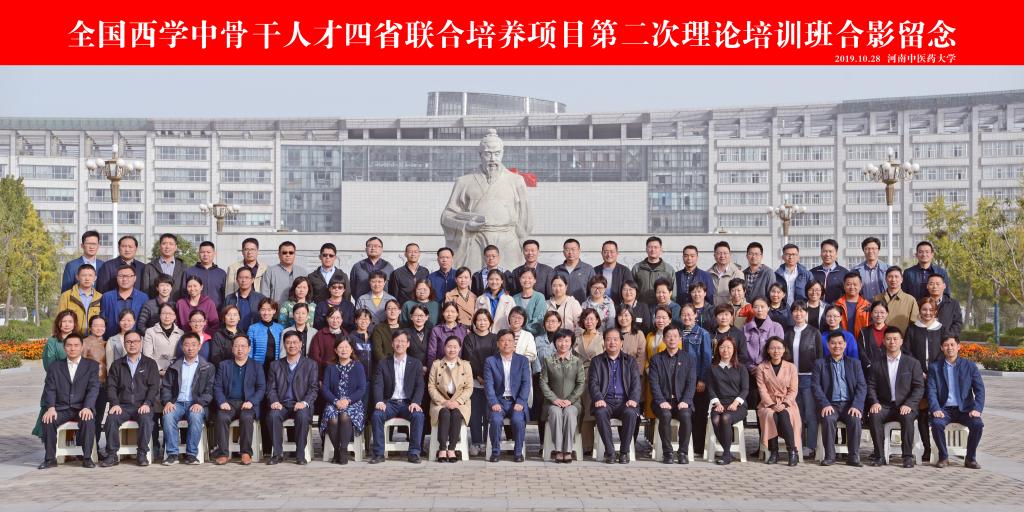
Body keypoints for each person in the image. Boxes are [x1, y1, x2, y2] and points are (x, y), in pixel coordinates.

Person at [441, 129, 533, 272]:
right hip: (476, 238)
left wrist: (523, 240)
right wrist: (465, 225)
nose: (492, 159)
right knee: (474, 279)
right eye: (488, 153)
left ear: (502, 153)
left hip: (508, 239)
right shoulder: (464, 181)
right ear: (480, 154)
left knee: (510, 279)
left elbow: (525, 215)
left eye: (497, 153)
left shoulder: (516, 180)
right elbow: (447, 216)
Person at [37, 333, 99, 469]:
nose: (73, 348)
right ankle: (50, 459)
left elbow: (93, 389)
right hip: (61, 409)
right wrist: (51, 408)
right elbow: (50, 389)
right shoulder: (55, 367)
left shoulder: (92, 366)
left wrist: (88, 407)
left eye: (76, 345)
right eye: (69, 345)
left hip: (82, 408)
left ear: (82, 347)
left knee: (88, 420)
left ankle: (87, 458)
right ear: (64, 348)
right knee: (48, 420)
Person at [865, 327, 924, 468]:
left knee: (907, 417)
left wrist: (909, 404)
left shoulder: (912, 363)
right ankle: (879, 456)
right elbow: (871, 386)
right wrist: (874, 402)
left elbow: (919, 387)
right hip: (884, 405)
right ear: (884, 341)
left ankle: (907, 457)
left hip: (904, 405)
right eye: (888, 339)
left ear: (901, 341)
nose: (892, 342)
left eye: (895, 339)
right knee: (874, 415)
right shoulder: (876, 363)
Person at [100, 331, 160, 467]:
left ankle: (142, 453)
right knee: (111, 419)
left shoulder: (150, 363)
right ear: (124, 344)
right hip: (122, 406)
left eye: (135, 341)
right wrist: (115, 403)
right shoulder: (117, 364)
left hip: (142, 405)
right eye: (128, 342)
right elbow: (111, 387)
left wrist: (147, 403)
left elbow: (154, 387)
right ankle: (112, 454)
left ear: (141, 343)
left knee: (146, 420)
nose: (132, 344)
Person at [368, 331, 426, 464]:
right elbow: (378, 384)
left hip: (408, 403)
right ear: (392, 344)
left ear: (408, 344)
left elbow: (420, 385)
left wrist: (416, 402)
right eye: (397, 341)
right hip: (390, 403)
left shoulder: (416, 363)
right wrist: (379, 401)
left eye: (403, 341)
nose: (400, 344)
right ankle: (378, 454)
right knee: (377, 415)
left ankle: (414, 453)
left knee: (418, 416)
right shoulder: (383, 363)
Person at [928, 336, 985, 469]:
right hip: (944, 409)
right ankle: (943, 457)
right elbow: (931, 391)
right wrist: (935, 408)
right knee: (936, 424)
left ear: (959, 346)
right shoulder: (935, 367)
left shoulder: (969, 366)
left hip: (965, 410)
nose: (949, 348)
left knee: (977, 424)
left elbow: (980, 390)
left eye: (952, 345)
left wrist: (977, 409)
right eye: (946, 345)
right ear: (942, 348)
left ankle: (970, 458)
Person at [812, 331, 866, 467]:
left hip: (850, 405)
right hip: (831, 404)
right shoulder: (820, 364)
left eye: (840, 343)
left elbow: (862, 386)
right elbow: (815, 386)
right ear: (828, 345)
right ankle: (830, 456)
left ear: (845, 345)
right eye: (833, 343)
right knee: (828, 419)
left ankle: (853, 457)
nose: (837, 346)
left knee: (855, 419)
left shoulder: (855, 363)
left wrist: (856, 405)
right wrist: (825, 404)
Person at [160, 333, 215, 465]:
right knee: (168, 416)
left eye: (194, 345)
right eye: (187, 345)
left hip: (195, 403)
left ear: (199, 346)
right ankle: (172, 454)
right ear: (182, 347)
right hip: (177, 403)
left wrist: (200, 403)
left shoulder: (207, 367)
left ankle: (191, 454)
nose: (190, 348)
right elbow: (166, 387)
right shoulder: (174, 366)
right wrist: (168, 401)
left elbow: (210, 390)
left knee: (196, 416)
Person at [265, 331, 319, 465]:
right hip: (282, 404)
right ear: (284, 345)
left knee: (302, 416)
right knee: (273, 416)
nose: (292, 345)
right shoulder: (275, 365)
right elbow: (271, 388)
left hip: (300, 404)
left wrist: (304, 402)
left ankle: (300, 455)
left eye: (295, 342)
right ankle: (277, 454)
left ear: (301, 344)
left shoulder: (311, 364)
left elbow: (313, 388)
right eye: (288, 342)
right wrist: (274, 401)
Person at [589, 327, 642, 464]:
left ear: (621, 342)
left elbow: (636, 383)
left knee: (631, 413)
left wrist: (633, 399)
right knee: (600, 412)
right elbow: (593, 383)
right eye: (608, 339)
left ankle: (624, 452)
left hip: (625, 401)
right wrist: (598, 398)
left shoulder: (630, 361)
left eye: (615, 339)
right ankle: (610, 452)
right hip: (605, 401)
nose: (612, 342)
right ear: (604, 342)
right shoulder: (597, 361)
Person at [212, 333, 265, 465]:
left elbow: (261, 388)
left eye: (243, 346)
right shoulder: (224, 365)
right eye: (236, 346)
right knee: (221, 417)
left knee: (246, 417)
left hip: (248, 403)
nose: (239, 349)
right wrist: (222, 401)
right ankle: (223, 454)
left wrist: (251, 402)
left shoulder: (256, 366)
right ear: (232, 348)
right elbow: (217, 387)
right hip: (228, 403)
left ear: (249, 348)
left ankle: (246, 453)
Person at [647, 325, 696, 464]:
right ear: (664, 339)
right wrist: (661, 400)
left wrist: (685, 400)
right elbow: (654, 383)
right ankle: (668, 452)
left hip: (682, 401)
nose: (672, 339)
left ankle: (682, 452)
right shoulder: (656, 359)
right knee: (665, 414)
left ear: (680, 339)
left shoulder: (689, 358)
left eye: (675, 336)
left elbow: (691, 382)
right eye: (668, 336)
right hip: (662, 401)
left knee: (686, 415)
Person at [904, 296, 945, 460]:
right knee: (922, 413)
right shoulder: (913, 329)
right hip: (918, 377)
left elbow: (944, 351)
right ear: (919, 310)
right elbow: (907, 351)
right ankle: (926, 449)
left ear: (935, 311)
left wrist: (933, 370)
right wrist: (919, 370)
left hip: (937, 377)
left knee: (936, 412)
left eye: (931, 310)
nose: (927, 312)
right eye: (924, 309)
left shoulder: (941, 329)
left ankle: (940, 449)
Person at [484, 329, 531, 463]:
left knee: (518, 420)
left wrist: (521, 402)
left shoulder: (522, 360)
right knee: (496, 420)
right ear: (498, 343)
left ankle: (518, 452)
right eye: (503, 341)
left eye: (510, 340)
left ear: (514, 343)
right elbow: (488, 385)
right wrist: (493, 402)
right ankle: (495, 452)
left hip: (516, 401)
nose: (506, 343)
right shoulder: (490, 361)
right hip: (498, 401)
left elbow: (526, 383)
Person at [755, 337, 802, 467]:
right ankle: (774, 451)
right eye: (773, 348)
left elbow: (793, 390)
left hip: (787, 403)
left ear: (784, 350)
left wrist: (784, 404)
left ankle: (792, 451)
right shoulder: (761, 368)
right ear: (768, 350)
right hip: (768, 403)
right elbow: (762, 389)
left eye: (779, 348)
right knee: (770, 415)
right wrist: (772, 404)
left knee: (784, 413)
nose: (776, 351)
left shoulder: (791, 367)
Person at [539, 329, 585, 463]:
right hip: (552, 403)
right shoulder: (548, 361)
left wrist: (570, 400)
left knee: (569, 413)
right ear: (555, 342)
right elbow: (543, 382)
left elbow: (581, 383)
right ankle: (558, 450)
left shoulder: (577, 362)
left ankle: (568, 450)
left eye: (566, 341)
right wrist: (554, 399)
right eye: (560, 340)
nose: (563, 344)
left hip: (573, 403)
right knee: (556, 412)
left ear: (571, 343)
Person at [320, 337, 368, 465]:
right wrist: (336, 401)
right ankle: (337, 450)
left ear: (351, 349)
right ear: (336, 350)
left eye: (347, 347)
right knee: (332, 417)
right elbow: (325, 389)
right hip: (334, 402)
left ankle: (343, 450)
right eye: (340, 347)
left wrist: (348, 400)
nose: (344, 350)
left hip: (353, 403)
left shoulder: (358, 366)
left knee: (344, 416)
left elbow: (361, 389)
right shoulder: (330, 367)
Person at [785, 301, 822, 459]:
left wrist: (817, 378)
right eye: (795, 311)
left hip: (809, 377)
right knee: (796, 413)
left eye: (801, 311)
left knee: (810, 413)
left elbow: (819, 357)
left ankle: (811, 446)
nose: (798, 314)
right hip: (792, 378)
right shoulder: (788, 332)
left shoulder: (814, 332)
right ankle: (797, 444)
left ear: (806, 313)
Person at [427, 336, 473, 463]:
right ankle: (442, 448)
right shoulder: (436, 365)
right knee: (444, 413)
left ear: (459, 348)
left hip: (460, 402)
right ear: (444, 348)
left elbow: (469, 388)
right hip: (440, 402)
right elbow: (431, 387)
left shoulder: (465, 365)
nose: (452, 350)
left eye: (455, 347)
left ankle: (452, 449)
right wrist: (444, 402)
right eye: (449, 346)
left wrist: (458, 402)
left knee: (457, 413)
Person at [33, 311, 77, 440]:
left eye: (70, 321)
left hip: (75, 385)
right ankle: (50, 445)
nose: (67, 324)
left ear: (74, 324)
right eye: (64, 321)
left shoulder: (79, 340)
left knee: (72, 417)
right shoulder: (52, 342)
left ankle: (68, 444)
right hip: (56, 384)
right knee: (51, 415)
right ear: (58, 323)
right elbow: (49, 365)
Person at [461, 309, 498, 455]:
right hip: (474, 382)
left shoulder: (495, 338)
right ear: (475, 322)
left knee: (489, 413)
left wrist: (487, 377)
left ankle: (488, 442)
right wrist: (478, 376)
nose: (482, 322)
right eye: (479, 320)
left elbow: (496, 358)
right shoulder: (469, 338)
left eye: (485, 320)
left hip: (491, 383)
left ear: (490, 322)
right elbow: (469, 358)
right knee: (475, 414)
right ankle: (476, 442)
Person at [707, 336, 749, 465]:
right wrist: (717, 403)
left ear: (734, 349)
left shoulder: (741, 368)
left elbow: (745, 389)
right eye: (722, 347)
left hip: (738, 405)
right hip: (719, 403)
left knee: (725, 418)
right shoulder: (712, 368)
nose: (725, 350)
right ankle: (728, 453)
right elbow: (710, 388)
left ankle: (726, 454)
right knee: (715, 419)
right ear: (718, 349)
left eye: (729, 347)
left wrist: (736, 403)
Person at [679, 304, 713, 456]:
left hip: (697, 380)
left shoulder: (703, 334)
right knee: (686, 413)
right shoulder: (679, 334)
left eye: (689, 314)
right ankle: (685, 445)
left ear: (695, 316)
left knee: (699, 414)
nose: (686, 317)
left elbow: (707, 358)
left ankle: (698, 447)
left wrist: (702, 379)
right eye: (684, 315)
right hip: (682, 381)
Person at [82, 316, 109, 454]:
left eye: (102, 325)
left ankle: (95, 447)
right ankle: (86, 448)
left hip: (104, 385)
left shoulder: (107, 343)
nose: (99, 328)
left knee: (98, 418)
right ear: (90, 327)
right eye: (96, 325)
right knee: (90, 417)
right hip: (90, 386)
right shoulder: (85, 343)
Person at [99, 264, 148, 338]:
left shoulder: (143, 297)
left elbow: (145, 322)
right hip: (111, 338)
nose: (124, 279)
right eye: (121, 276)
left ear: (135, 278)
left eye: (128, 276)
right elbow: (102, 320)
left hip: (135, 340)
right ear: (117, 278)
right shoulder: (107, 297)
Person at [58, 263, 101, 336]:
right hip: (72, 338)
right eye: (83, 275)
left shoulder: (100, 297)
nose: (87, 278)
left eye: (90, 275)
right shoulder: (66, 296)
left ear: (95, 278)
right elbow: (59, 319)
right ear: (77, 277)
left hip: (93, 338)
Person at [743, 297, 785, 374]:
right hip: (749, 371)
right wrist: (750, 367)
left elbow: (779, 351)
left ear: (768, 308)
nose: (759, 310)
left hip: (770, 370)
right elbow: (742, 351)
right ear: (752, 308)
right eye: (756, 307)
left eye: (762, 307)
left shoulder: (776, 327)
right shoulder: (745, 328)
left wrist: (763, 367)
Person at [872, 266, 919, 334]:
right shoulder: (877, 298)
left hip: (901, 339)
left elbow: (914, 324)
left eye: (896, 277)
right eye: (890, 277)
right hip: (879, 337)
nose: (893, 280)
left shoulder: (910, 300)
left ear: (901, 279)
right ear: (886, 279)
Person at [141, 233, 186, 301]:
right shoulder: (149, 267)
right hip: (155, 306)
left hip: (177, 305)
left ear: (175, 247)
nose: (167, 247)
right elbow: (145, 291)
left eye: (171, 244)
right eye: (164, 243)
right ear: (160, 246)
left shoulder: (183, 267)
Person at [632, 236, 675, 305]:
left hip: (662, 308)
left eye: (655, 247)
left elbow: (673, 293)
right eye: (650, 247)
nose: (653, 250)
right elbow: (632, 289)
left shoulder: (668, 269)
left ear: (661, 249)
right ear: (646, 249)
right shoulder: (637, 268)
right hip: (641, 307)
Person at [261, 241, 307, 306]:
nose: (288, 255)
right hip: (277, 310)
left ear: (294, 254)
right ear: (279, 254)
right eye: (284, 253)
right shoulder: (270, 272)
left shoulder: (303, 272)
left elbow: (308, 294)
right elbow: (265, 296)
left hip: (299, 311)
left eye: (291, 253)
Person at [142, 303, 183, 375]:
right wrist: (159, 370)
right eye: (164, 313)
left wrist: (175, 369)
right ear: (160, 315)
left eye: (170, 314)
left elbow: (182, 356)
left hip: (175, 372)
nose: (167, 316)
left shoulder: (181, 333)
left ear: (175, 316)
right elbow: (147, 355)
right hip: (155, 372)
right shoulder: (150, 332)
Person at [349, 237, 395, 301]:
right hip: (363, 304)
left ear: (381, 249)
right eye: (370, 246)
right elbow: (352, 288)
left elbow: (392, 288)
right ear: (366, 249)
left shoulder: (388, 267)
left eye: (376, 246)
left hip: (384, 304)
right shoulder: (357, 267)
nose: (373, 248)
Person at [247, 298, 284, 374]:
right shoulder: (252, 328)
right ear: (259, 311)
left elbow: (282, 349)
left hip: (276, 367)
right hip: (257, 367)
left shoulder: (280, 328)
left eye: (269, 310)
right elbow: (249, 349)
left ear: (274, 311)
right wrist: (250, 366)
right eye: (263, 309)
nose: (266, 313)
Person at [185, 241, 227, 309]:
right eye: (202, 252)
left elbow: (224, 294)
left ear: (214, 253)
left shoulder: (221, 273)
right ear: (198, 253)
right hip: (195, 312)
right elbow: (184, 293)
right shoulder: (189, 271)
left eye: (208, 252)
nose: (205, 254)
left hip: (216, 311)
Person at [427, 302, 468, 370]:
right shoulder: (436, 330)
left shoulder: (463, 329)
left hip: (459, 368)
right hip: (441, 367)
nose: (450, 314)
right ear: (443, 313)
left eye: (453, 312)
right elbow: (432, 352)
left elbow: (466, 351)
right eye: (447, 311)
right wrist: (432, 369)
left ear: (457, 313)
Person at [224, 267, 265, 334]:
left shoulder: (260, 298)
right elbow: (223, 319)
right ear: (237, 280)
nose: (243, 280)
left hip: (255, 335)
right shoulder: (229, 299)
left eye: (247, 277)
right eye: (240, 277)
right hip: (234, 336)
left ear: (252, 280)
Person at [553, 238, 595, 303]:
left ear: (579, 251)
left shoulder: (588, 269)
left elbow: (593, 290)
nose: (570, 252)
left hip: (582, 307)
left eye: (573, 249)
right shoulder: (557, 270)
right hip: (561, 306)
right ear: (563, 252)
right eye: (567, 250)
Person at [832, 272, 870, 339]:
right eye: (848, 284)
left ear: (861, 286)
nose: (852, 287)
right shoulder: (836, 305)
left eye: (855, 284)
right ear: (844, 285)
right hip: (841, 341)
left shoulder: (867, 306)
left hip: (861, 341)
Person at [857, 301, 890, 376]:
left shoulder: (892, 332)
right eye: (876, 312)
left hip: (888, 371)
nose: (879, 315)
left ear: (887, 314)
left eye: (882, 312)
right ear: (871, 314)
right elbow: (861, 351)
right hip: (869, 372)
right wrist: (869, 366)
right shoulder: (864, 332)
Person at [810, 239, 848, 304]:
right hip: (816, 308)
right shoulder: (812, 273)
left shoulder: (844, 273)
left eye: (830, 251)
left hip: (837, 309)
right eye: (825, 251)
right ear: (821, 253)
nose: (827, 254)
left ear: (836, 254)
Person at [927, 274, 964, 339]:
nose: (935, 286)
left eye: (938, 284)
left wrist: (948, 337)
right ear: (927, 286)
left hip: (947, 341)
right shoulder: (922, 303)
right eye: (931, 284)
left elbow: (958, 323)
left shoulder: (953, 304)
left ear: (944, 286)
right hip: (927, 340)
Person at [708, 241, 744, 306]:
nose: (722, 256)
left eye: (725, 253)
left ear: (730, 255)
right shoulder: (708, 274)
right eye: (719, 253)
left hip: (730, 310)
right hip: (712, 310)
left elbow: (740, 297)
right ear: (714, 255)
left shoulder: (737, 273)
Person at [513, 268, 547, 336]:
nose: (526, 280)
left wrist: (523, 330)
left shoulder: (539, 297)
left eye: (530, 278)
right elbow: (512, 318)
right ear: (519, 279)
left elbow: (539, 319)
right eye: (523, 277)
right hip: (517, 335)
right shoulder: (514, 298)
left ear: (535, 280)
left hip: (536, 335)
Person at [616, 307, 647, 375]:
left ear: (632, 317)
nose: (623, 318)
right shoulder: (613, 333)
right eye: (620, 315)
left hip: (633, 374)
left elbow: (641, 357)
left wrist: (637, 374)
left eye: (626, 315)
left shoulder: (639, 334)